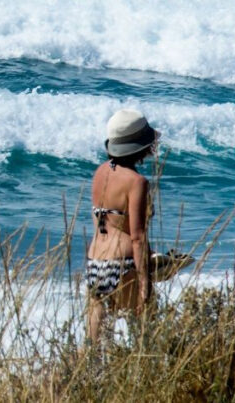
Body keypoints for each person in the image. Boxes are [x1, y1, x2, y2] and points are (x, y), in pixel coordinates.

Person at [86, 108, 159, 344]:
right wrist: (144, 284)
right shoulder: (137, 182)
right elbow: (137, 237)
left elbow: (100, 219)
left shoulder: (100, 172)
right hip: (123, 262)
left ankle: (90, 376)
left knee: (96, 341)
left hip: (96, 261)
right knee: (146, 330)